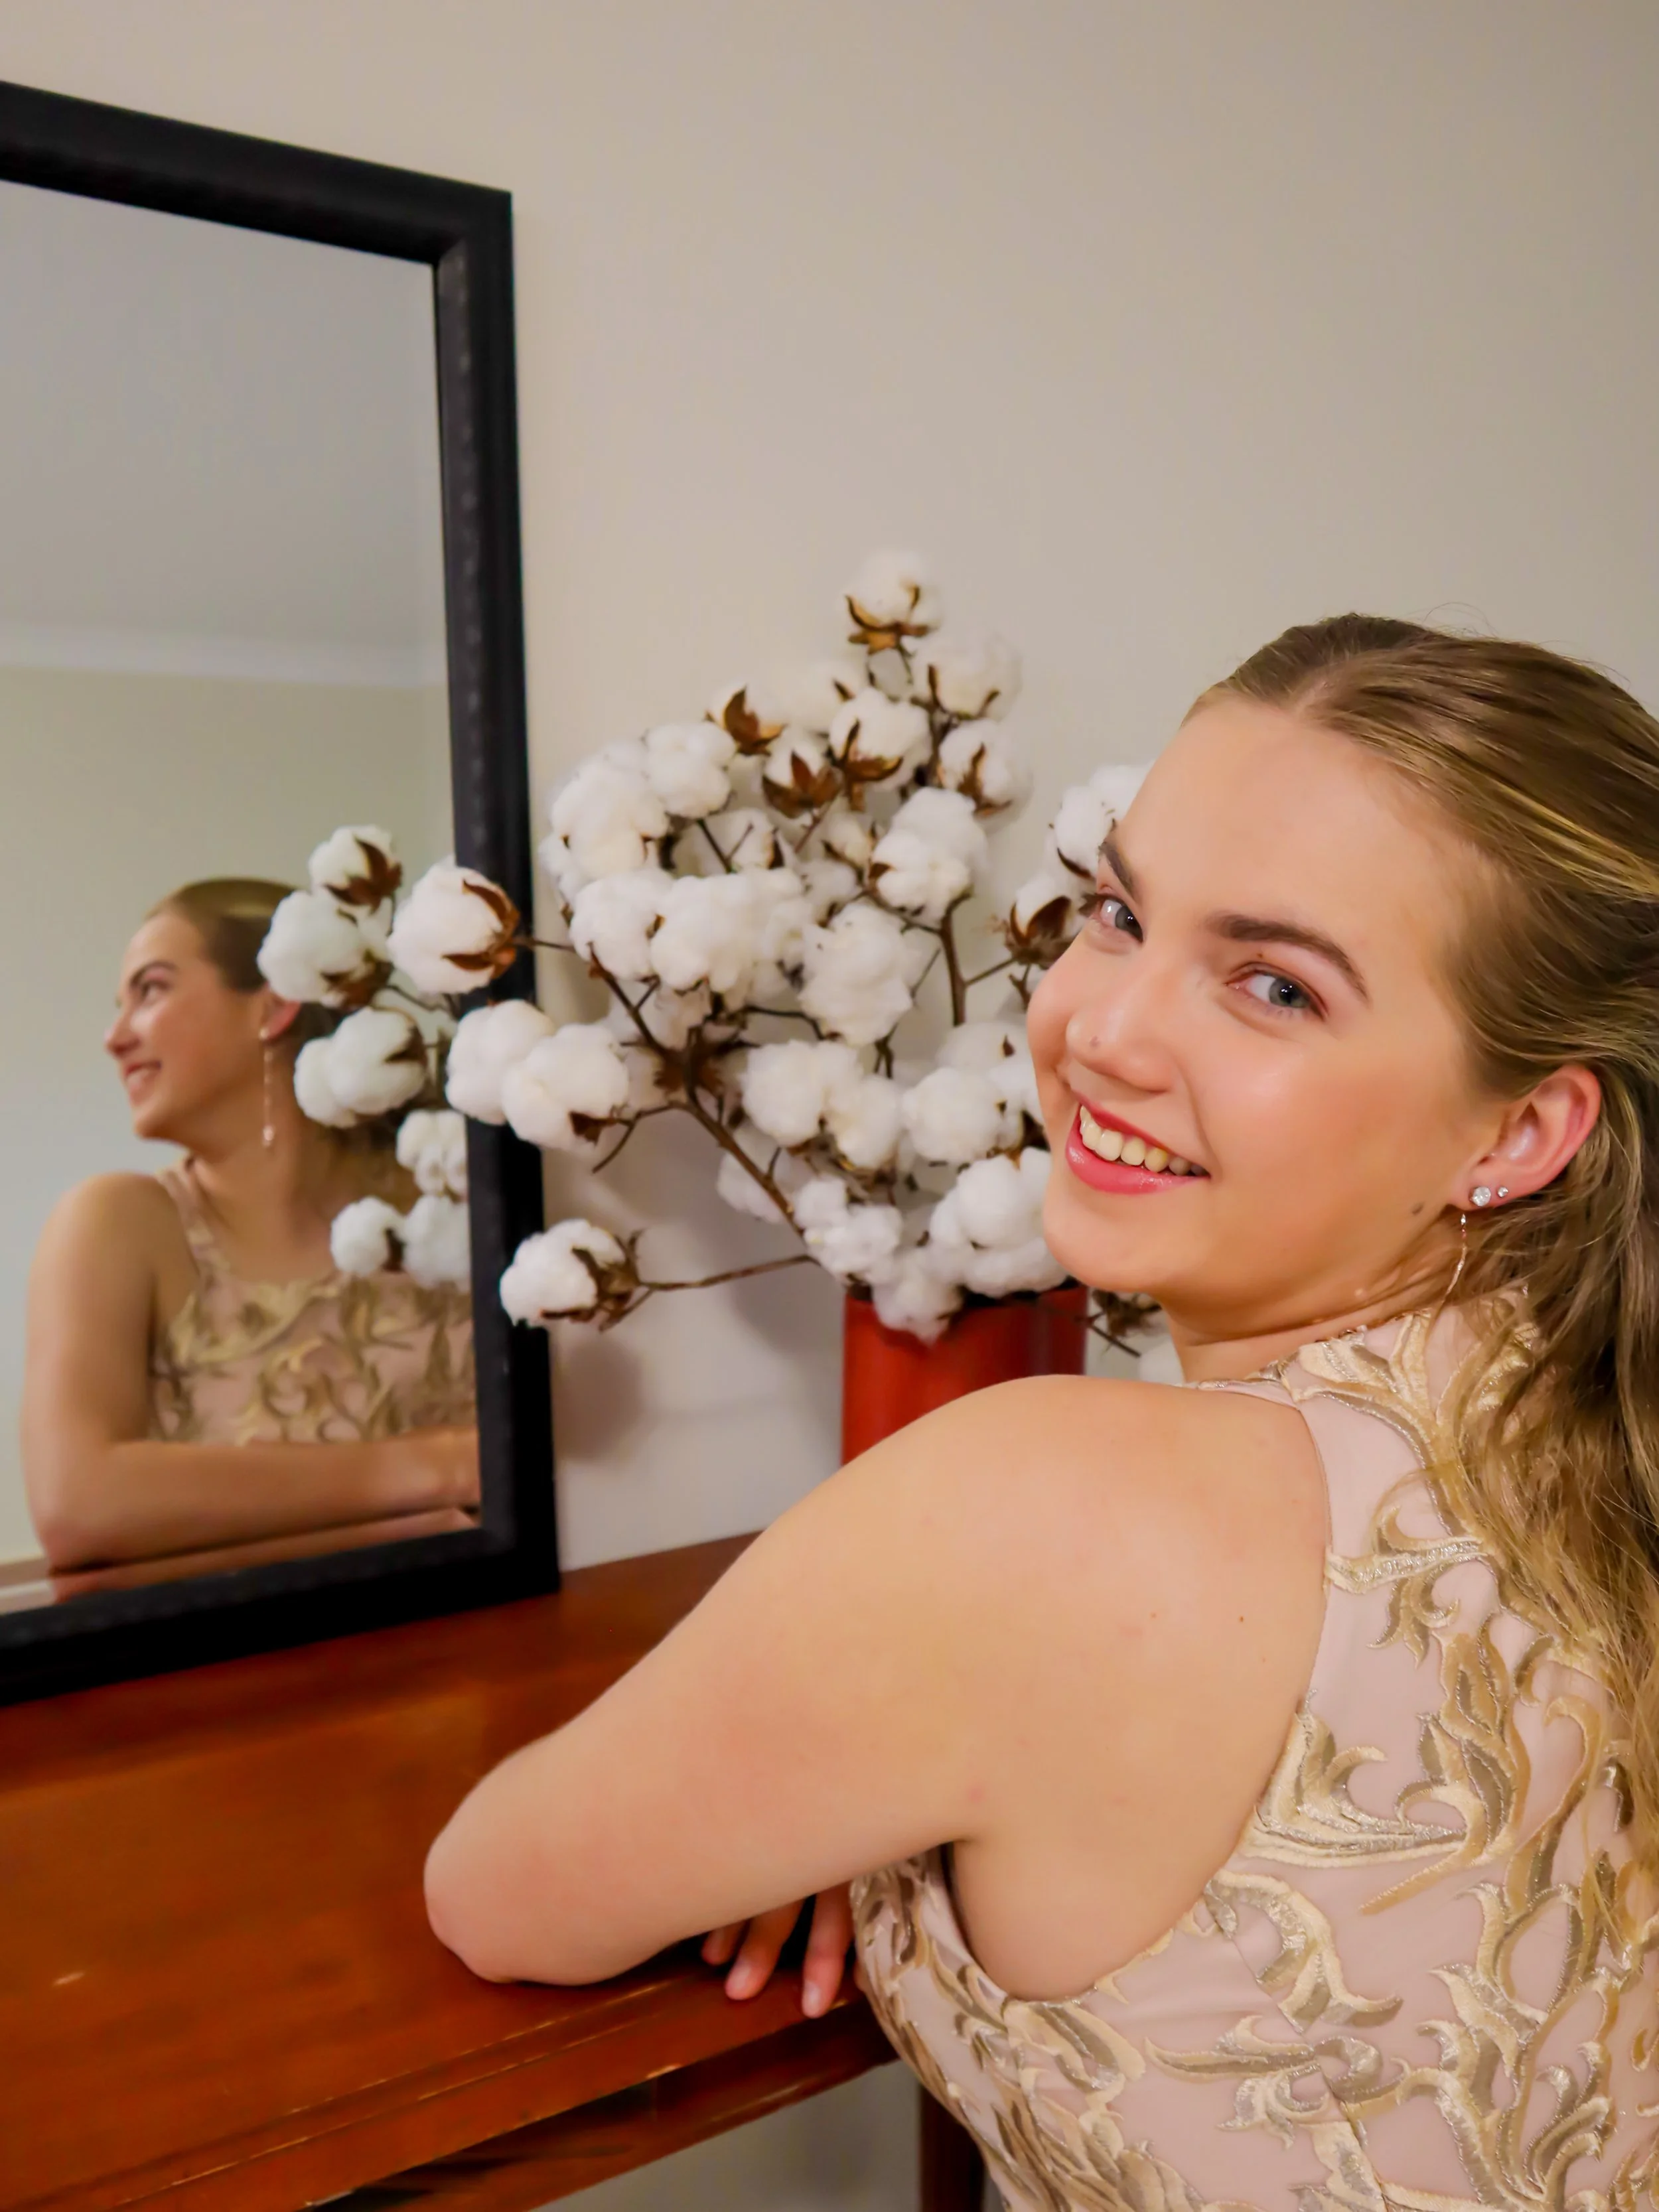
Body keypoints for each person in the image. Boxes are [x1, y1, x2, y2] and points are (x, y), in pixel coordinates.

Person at [423, 618, 1659, 2201]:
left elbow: (496, 1892)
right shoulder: (1583, 1429)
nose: (1104, 1028)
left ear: (1525, 1124)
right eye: (1120, 912)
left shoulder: (1047, 1509)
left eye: (1275, 985)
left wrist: (855, 1819)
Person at [23, 878, 476, 1592]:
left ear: (274, 1003)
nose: (114, 1038)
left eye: (151, 990)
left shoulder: (447, 1200)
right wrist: (431, 1466)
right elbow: (77, 1503)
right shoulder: (117, 1224)